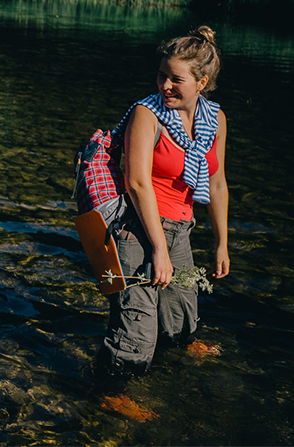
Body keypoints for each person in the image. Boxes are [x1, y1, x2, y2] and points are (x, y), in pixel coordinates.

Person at [96, 26, 230, 376]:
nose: (164, 86)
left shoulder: (215, 120)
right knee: (135, 331)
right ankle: (111, 389)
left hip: (180, 231)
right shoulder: (147, 114)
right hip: (139, 232)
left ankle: (175, 356)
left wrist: (221, 243)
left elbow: (216, 184)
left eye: (176, 79)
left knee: (181, 320)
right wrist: (158, 249)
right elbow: (137, 183)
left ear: (201, 83)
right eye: (161, 75)